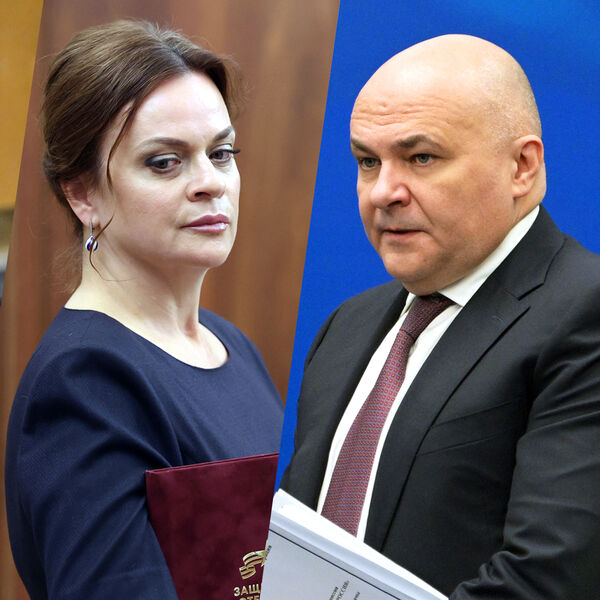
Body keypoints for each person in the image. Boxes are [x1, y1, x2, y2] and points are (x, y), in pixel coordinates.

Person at [281, 34, 600, 599]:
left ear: (521, 166)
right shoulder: (345, 328)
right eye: (367, 161)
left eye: (420, 158)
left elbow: (548, 578)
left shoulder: (584, 311)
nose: (383, 192)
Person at [5, 20, 283, 600]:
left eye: (221, 153)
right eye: (164, 162)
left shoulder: (233, 347)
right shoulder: (85, 382)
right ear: (83, 193)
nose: (210, 183)